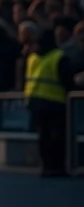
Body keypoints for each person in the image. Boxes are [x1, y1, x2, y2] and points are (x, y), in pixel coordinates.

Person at [20, 23, 73, 177]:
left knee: (43, 137)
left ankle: (46, 166)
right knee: (57, 137)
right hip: (56, 102)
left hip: (36, 102)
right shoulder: (58, 57)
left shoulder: (32, 57)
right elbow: (67, 81)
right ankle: (57, 167)